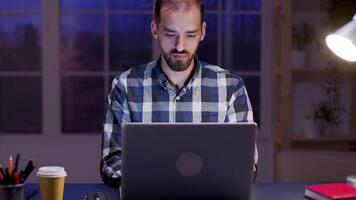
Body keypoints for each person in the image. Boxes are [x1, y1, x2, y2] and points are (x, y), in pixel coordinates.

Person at [101, 0, 258, 188]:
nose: (180, 46)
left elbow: (245, 164)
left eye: (190, 35)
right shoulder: (125, 86)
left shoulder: (231, 87)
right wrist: (156, 185)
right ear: (154, 29)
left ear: (203, 32)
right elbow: (111, 162)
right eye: (170, 34)